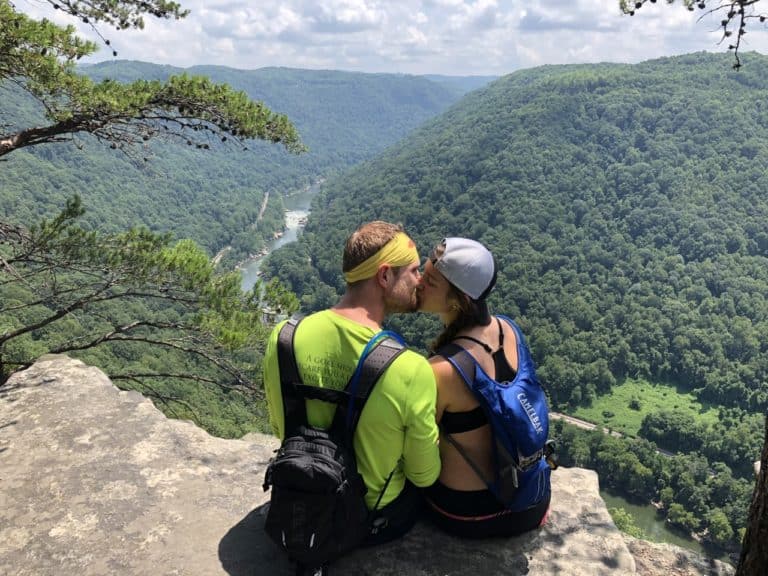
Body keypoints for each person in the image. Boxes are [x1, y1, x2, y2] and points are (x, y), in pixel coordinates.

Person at [263, 220, 441, 545]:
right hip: (370, 519)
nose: (420, 281)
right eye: (414, 271)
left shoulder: (284, 338)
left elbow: (280, 429)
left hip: (300, 496)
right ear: (385, 276)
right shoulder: (410, 369)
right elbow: (423, 474)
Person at [418, 237, 551, 538]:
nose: (419, 283)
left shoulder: (441, 370)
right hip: (533, 501)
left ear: (458, 300)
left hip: (471, 513)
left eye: (430, 281)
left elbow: (419, 450)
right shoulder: (509, 329)